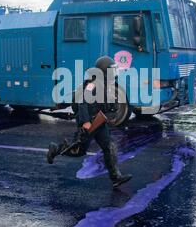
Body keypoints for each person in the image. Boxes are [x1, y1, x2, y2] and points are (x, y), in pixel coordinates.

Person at [46, 56, 132, 189]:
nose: (114, 73)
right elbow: (82, 102)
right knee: (78, 151)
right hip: (89, 122)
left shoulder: (108, 83)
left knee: (109, 147)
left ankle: (116, 177)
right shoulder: (92, 84)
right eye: (111, 70)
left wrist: (111, 115)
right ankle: (55, 149)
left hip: (99, 121)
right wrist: (86, 122)